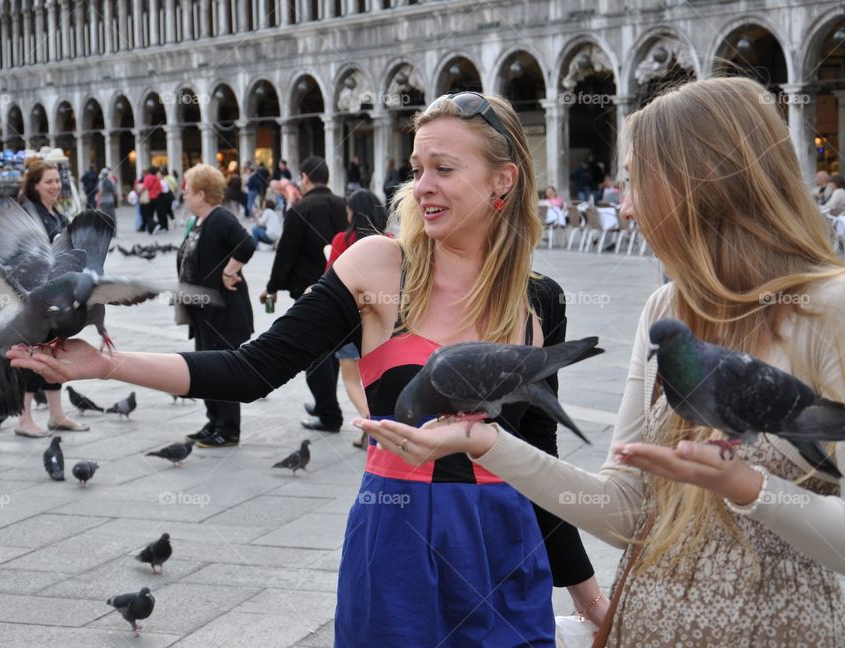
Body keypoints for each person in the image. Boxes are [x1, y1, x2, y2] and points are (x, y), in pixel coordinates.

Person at [7, 92, 605, 647]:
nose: (422, 186)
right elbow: (252, 369)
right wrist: (108, 366)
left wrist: (589, 596)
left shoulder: (538, 300)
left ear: (504, 180)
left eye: (444, 170)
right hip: (400, 541)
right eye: (417, 169)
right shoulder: (378, 266)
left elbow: (538, 454)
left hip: (507, 546)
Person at [362, 78, 845, 647]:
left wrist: (748, 487)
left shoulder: (828, 309)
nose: (628, 204)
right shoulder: (666, 310)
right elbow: (624, 509)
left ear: (704, 183)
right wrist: (486, 443)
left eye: (640, 180)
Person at [261, 156, 347, 433]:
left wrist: (272, 287)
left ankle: (329, 413)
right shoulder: (342, 205)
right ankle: (325, 403)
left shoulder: (300, 209)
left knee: (315, 354)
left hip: (312, 291)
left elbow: (285, 254)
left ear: (306, 177)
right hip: (344, 288)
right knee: (332, 351)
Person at [177, 164, 256, 448]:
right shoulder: (199, 221)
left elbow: (246, 244)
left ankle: (228, 429)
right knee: (206, 367)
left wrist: (228, 271)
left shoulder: (220, 218)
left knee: (223, 369)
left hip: (223, 312)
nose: (184, 195)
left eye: (187, 190)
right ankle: (213, 421)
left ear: (201, 194)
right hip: (203, 311)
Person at [14, 159, 88, 437]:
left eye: (58, 180)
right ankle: (24, 419)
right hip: (33, 298)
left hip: (55, 296)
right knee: (32, 355)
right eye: (49, 181)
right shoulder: (28, 214)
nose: (56, 186)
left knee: (54, 351)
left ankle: (56, 415)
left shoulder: (54, 213)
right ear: (35, 185)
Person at [325, 189, 388, 448]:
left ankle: (372, 426)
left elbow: (330, 279)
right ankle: (374, 427)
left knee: (351, 380)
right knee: (374, 380)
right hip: (379, 322)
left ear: (353, 211)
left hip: (347, 322)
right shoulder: (388, 241)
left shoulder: (343, 239)